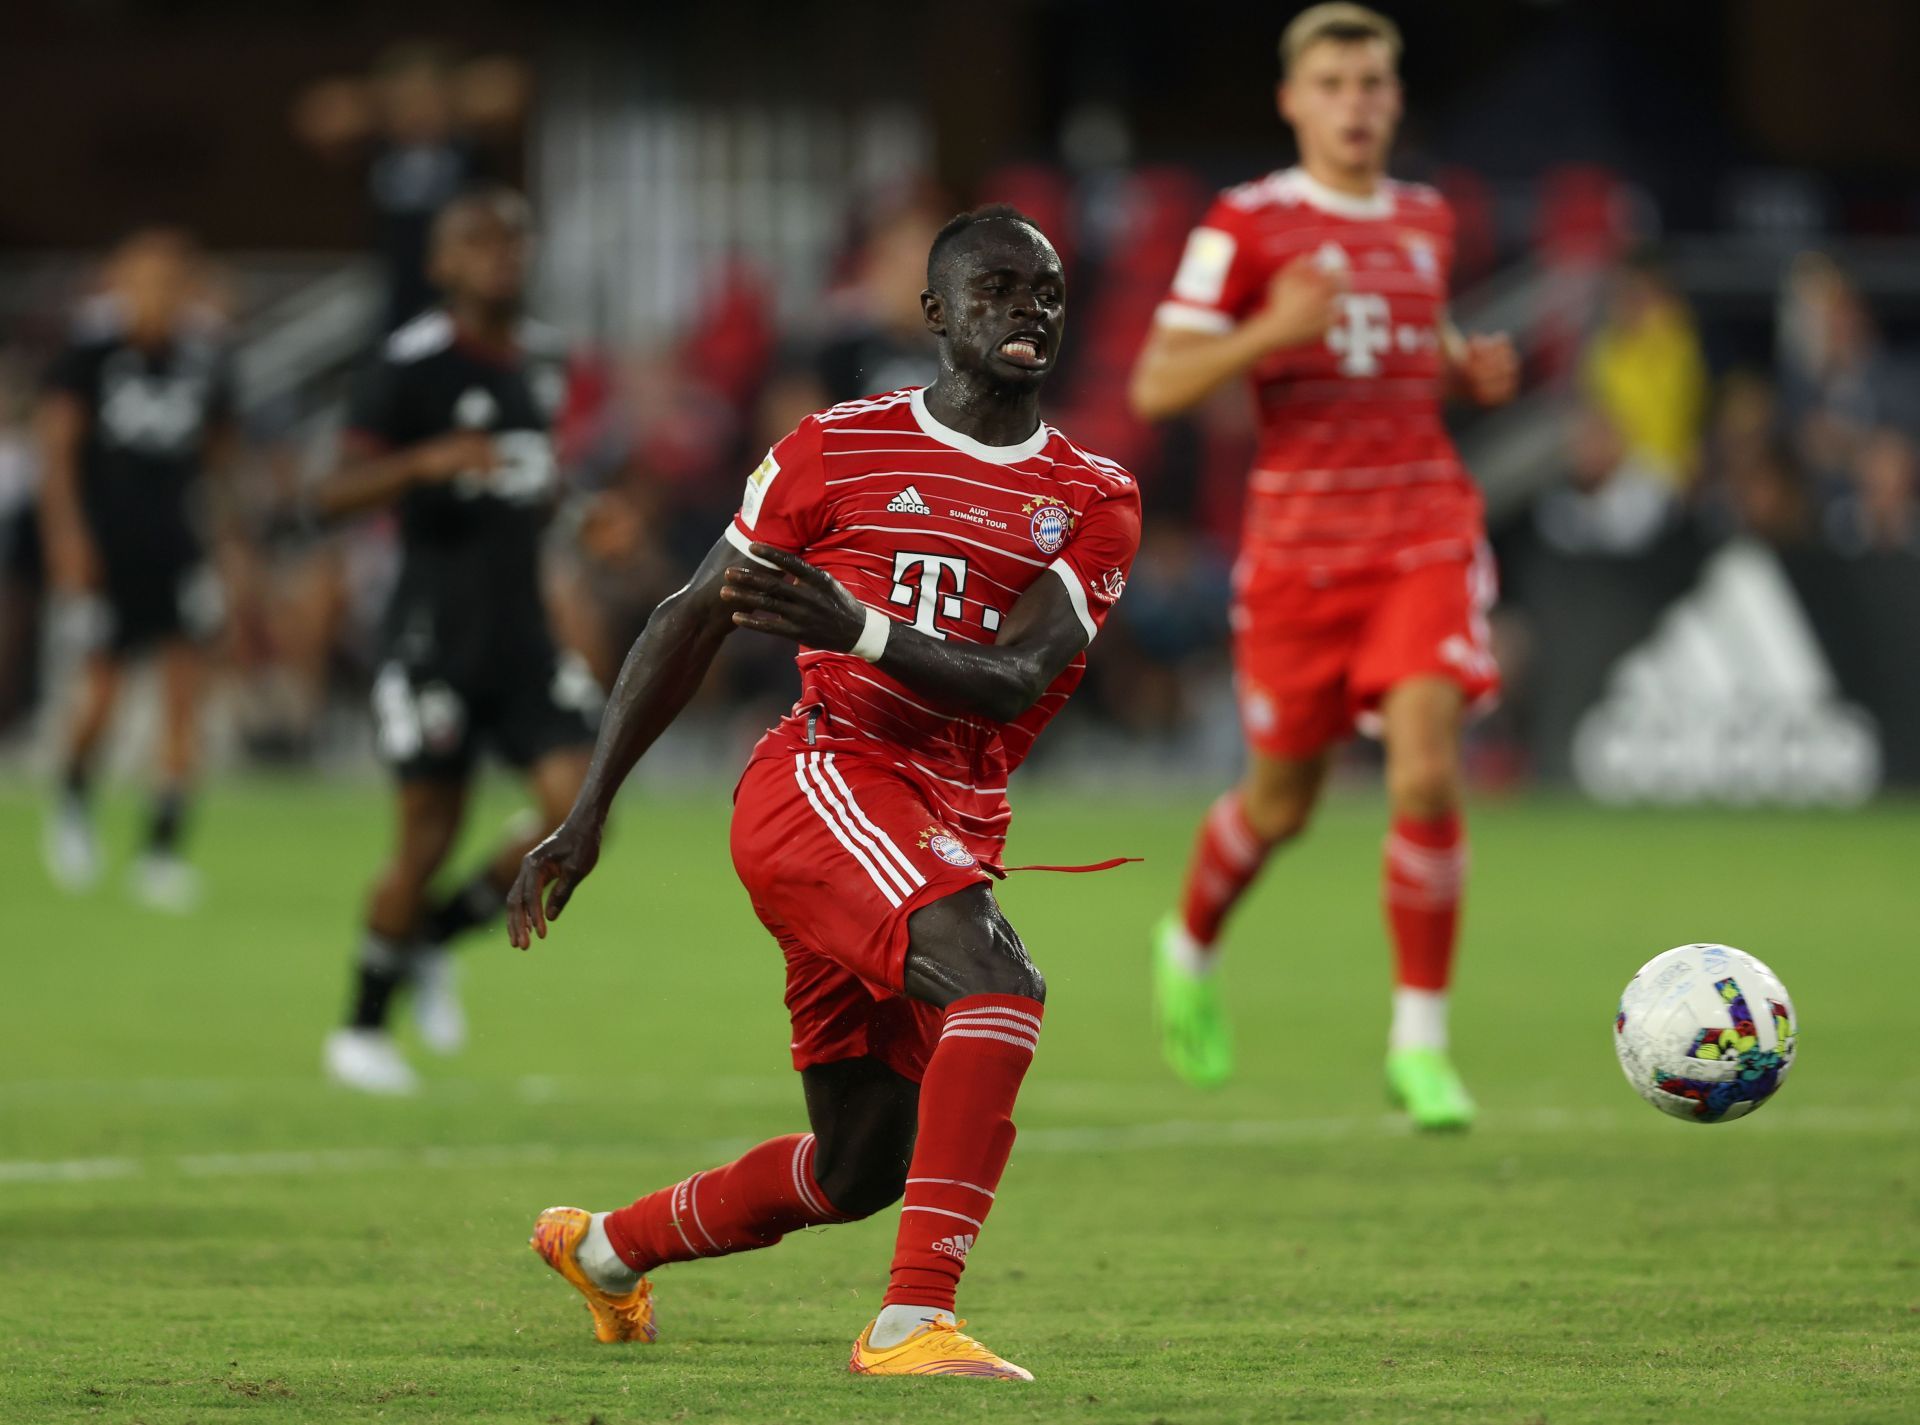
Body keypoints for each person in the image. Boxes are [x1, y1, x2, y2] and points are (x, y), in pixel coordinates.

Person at [511, 206, 1140, 1379]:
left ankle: (604, 1249)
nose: (1028, 311)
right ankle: (910, 1323)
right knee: (1000, 987)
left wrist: (856, 620)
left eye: (1047, 293)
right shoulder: (834, 448)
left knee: (857, 1169)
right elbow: (687, 617)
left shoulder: (1093, 493)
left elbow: (1011, 682)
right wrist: (589, 809)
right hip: (827, 778)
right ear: (936, 314)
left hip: (942, 815)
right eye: (998, 289)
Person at [1128, 4, 1519, 1124]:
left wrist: (1463, 371)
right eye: (1334, 84)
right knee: (1282, 804)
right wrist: (1270, 331)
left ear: (1397, 100)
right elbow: (1157, 384)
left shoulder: (1426, 218)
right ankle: (1188, 942)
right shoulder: (1246, 225)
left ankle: (1421, 1042)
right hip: (1299, 556)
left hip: (1421, 532)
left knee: (1426, 771)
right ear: (1293, 100)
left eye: (1373, 84)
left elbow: (1412, 340)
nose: (1356, 104)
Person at [315, 188, 600, 1095]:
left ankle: (434, 941)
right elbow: (331, 493)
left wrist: (591, 522)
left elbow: (538, 488)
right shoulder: (410, 366)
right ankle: (359, 1027)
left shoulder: (545, 361)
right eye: (479, 241)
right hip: (434, 636)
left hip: (522, 634)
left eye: (515, 238)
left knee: (578, 809)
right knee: (426, 839)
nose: (503, 254)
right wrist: (423, 462)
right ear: (440, 263)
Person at [38, 229, 237, 911]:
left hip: (178, 547)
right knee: (101, 693)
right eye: (143, 278)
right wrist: (67, 538)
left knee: (186, 700)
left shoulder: (206, 361)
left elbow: (220, 459)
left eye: (171, 280)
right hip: (109, 548)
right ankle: (71, 806)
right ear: (117, 285)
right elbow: (57, 454)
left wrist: (228, 547)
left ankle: (161, 850)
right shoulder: (88, 357)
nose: (157, 293)